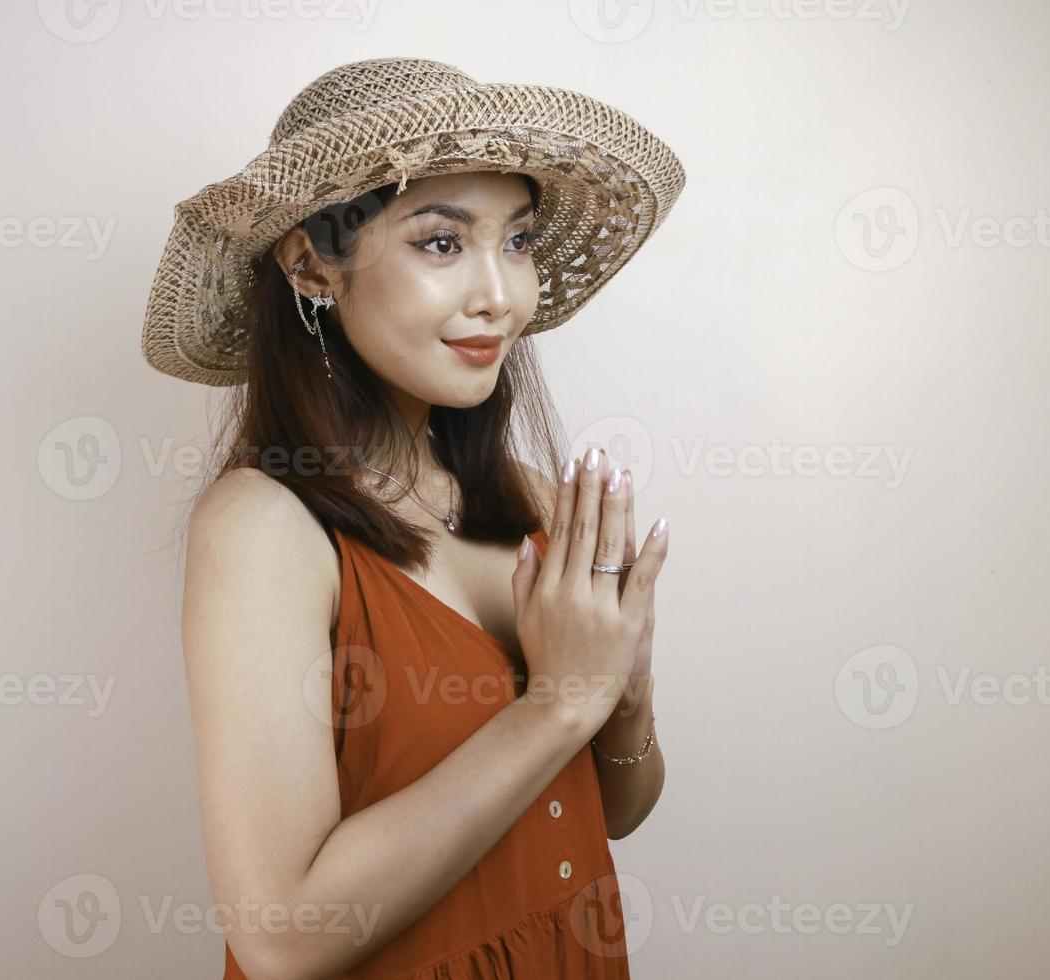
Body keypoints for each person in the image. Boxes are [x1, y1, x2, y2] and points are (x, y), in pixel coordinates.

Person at [143, 57, 685, 979]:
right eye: (441, 243)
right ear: (313, 264)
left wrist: (620, 692)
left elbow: (614, 810)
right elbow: (282, 936)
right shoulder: (263, 529)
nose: (502, 295)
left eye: (516, 242)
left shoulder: (532, 500)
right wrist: (557, 704)